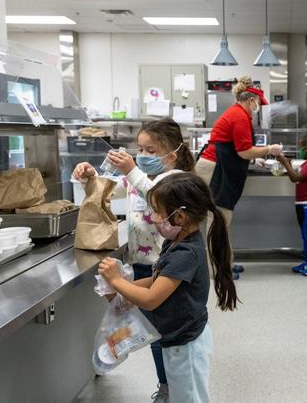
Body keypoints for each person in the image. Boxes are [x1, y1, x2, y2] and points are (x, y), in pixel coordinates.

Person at [72, 118, 193, 403]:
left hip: (165, 265)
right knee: (152, 332)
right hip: (142, 261)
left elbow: (157, 197)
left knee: (167, 331)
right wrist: (89, 176)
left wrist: (133, 170)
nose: (142, 155)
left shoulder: (174, 180)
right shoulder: (135, 177)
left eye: (150, 150)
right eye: (140, 149)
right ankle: (166, 386)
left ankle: (176, 388)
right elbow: (109, 192)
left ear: (170, 155)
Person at [98, 173, 238, 403]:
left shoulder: (186, 254)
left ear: (179, 216)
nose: (153, 218)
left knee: (190, 398)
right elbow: (157, 281)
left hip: (187, 344)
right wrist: (124, 292)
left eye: (157, 212)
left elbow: (152, 298)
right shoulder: (175, 243)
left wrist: (117, 281)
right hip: (177, 338)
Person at [194, 76, 283, 277]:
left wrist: (254, 159)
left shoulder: (237, 113)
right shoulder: (240, 116)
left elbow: (237, 149)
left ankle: (226, 262)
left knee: (223, 220)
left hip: (216, 164)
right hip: (214, 169)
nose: (258, 106)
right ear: (251, 99)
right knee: (218, 220)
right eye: (258, 102)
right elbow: (243, 151)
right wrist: (269, 149)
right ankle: (216, 270)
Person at [277, 135, 307, 277]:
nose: (300, 150)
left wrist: (285, 163)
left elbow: (295, 178)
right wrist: (288, 164)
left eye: (302, 147)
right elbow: (297, 175)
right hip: (301, 203)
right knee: (305, 235)